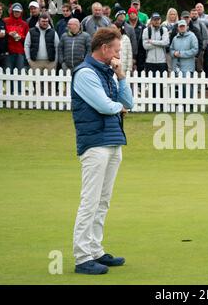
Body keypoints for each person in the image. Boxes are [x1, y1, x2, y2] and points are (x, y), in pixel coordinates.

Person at [71, 27, 133, 275]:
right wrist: (119, 107)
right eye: (117, 50)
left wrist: (121, 76)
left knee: (103, 200)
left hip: (113, 141)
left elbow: (128, 102)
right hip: (94, 143)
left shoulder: (109, 72)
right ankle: (82, 256)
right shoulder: (85, 73)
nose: (119, 55)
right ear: (105, 48)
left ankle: (95, 250)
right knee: (90, 200)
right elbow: (105, 106)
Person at [3, 3, 28, 71]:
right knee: (8, 72)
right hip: (8, 51)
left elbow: (27, 38)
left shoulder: (24, 24)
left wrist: (21, 37)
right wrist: (9, 33)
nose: (17, 13)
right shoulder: (5, 21)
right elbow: (1, 33)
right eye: (15, 11)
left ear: (21, 12)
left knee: (19, 72)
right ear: (12, 11)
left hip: (20, 52)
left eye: (18, 11)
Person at [127, 7, 146, 73]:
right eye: (130, 13)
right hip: (128, 51)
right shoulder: (125, 25)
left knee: (140, 70)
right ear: (128, 14)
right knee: (128, 70)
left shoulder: (142, 25)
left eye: (134, 13)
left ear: (136, 14)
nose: (132, 14)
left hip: (140, 51)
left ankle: (140, 84)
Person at [190, 8, 208, 73]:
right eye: (192, 14)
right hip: (190, 49)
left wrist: (202, 49)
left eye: (195, 14)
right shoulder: (188, 24)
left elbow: (205, 38)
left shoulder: (201, 24)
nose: (194, 15)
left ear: (198, 15)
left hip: (199, 50)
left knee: (199, 68)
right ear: (190, 15)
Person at [195, 3, 208, 73]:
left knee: (207, 61)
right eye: (197, 7)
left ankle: (207, 77)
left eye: (200, 7)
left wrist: (197, 20)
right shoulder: (193, 19)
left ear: (203, 9)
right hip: (197, 43)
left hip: (207, 42)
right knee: (198, 62)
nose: (199, 8)